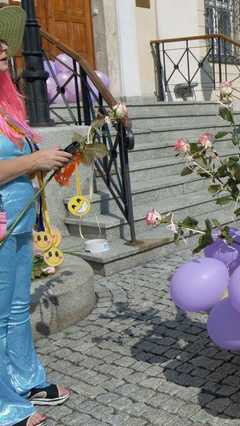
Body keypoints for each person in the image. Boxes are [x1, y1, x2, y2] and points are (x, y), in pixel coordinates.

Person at [0, 5, 73, 426]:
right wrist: (34, 162)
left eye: (3, 44)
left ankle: (26, 381)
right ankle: (4, 404)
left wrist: (52, 163)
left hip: (20, 218)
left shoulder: (8, 104)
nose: (4, 50)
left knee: (14, 309)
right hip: (1, 223)